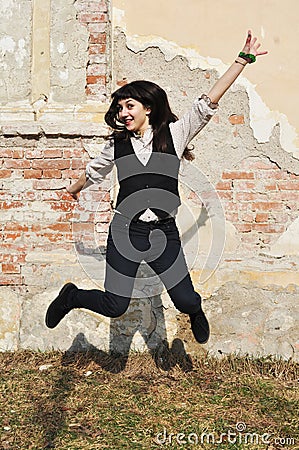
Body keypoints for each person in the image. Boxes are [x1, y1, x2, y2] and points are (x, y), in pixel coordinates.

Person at [45, 31, 267, 344]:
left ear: (147, 107)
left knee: (185, 300)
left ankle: (196, 309)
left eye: (129, 105)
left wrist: (241, 60)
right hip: (125, 231)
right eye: (119, 108)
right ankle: (70, 297)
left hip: (163, 232)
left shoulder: (175, 135)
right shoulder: (117, 144)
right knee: (115, 305)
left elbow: (208, 102)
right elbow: (93, 171)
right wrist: (72, 189)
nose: (123, 113)